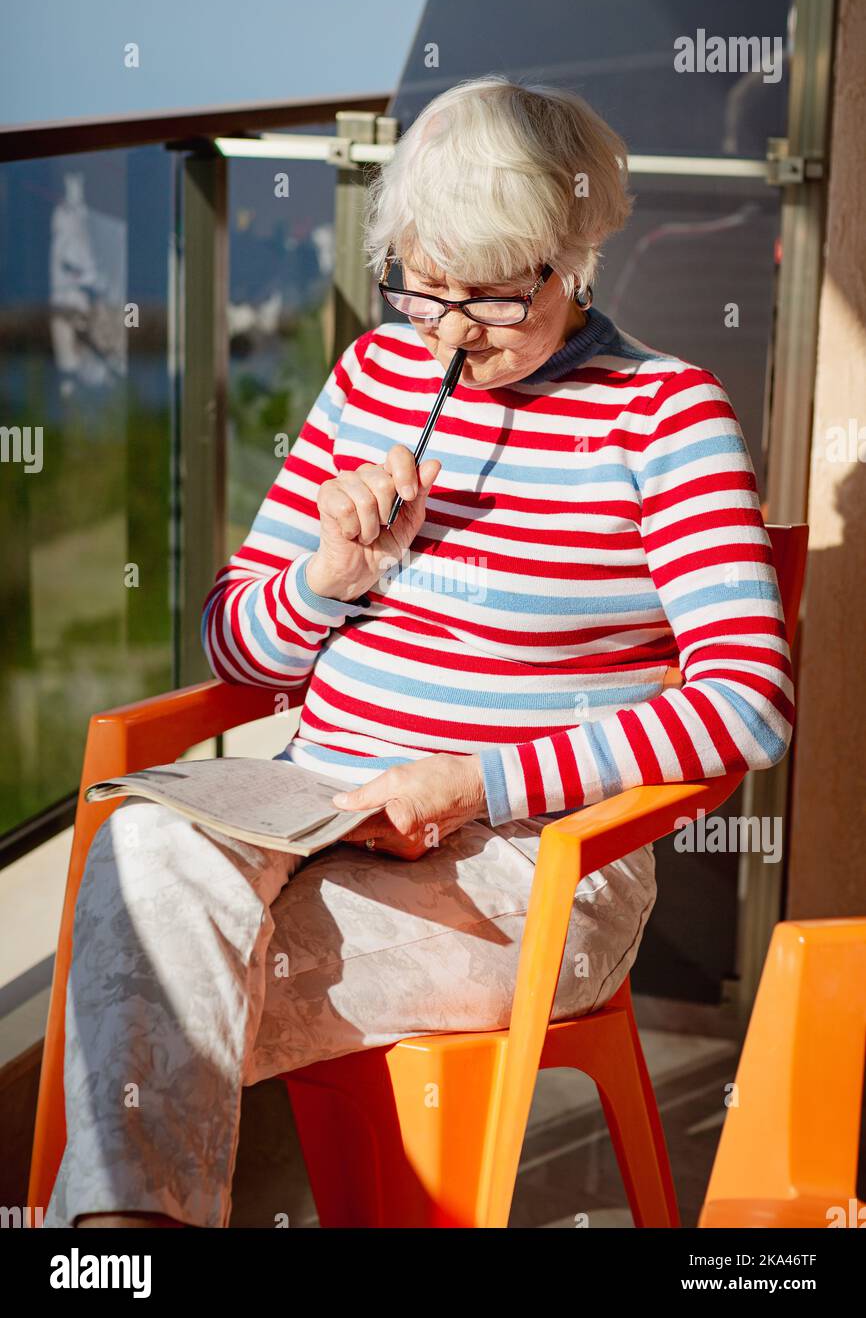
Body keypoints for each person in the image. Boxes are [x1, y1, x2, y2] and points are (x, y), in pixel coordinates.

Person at [44, 75, 793, 1229]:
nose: (443, 330)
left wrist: (476, 782)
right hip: (307, 802)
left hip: (532, 866)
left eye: (489, 300)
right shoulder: (371, 376)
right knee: (146, 857)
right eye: (421, 285)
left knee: (145, 971)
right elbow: (234, 642)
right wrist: (323, 578)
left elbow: (744, 701)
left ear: (568, 259)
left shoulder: (663, 416)